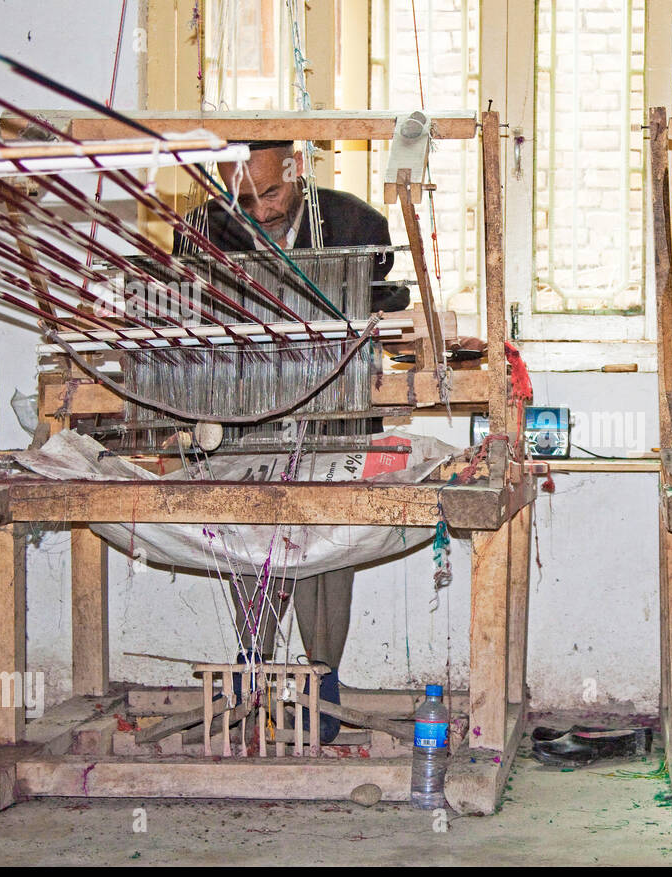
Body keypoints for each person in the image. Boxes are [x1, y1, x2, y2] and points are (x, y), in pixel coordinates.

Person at [175, 141, 479, 741]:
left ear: (298, 172)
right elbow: (183, 316)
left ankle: (323, 675)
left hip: (336, 415)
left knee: (324, 540)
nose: (259, 212)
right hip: (245, 414)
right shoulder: (203, 231)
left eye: (271, 193)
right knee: (246, 532)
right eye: (244, 198)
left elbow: (384, 307)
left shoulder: (356, 224)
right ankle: (253, 664)